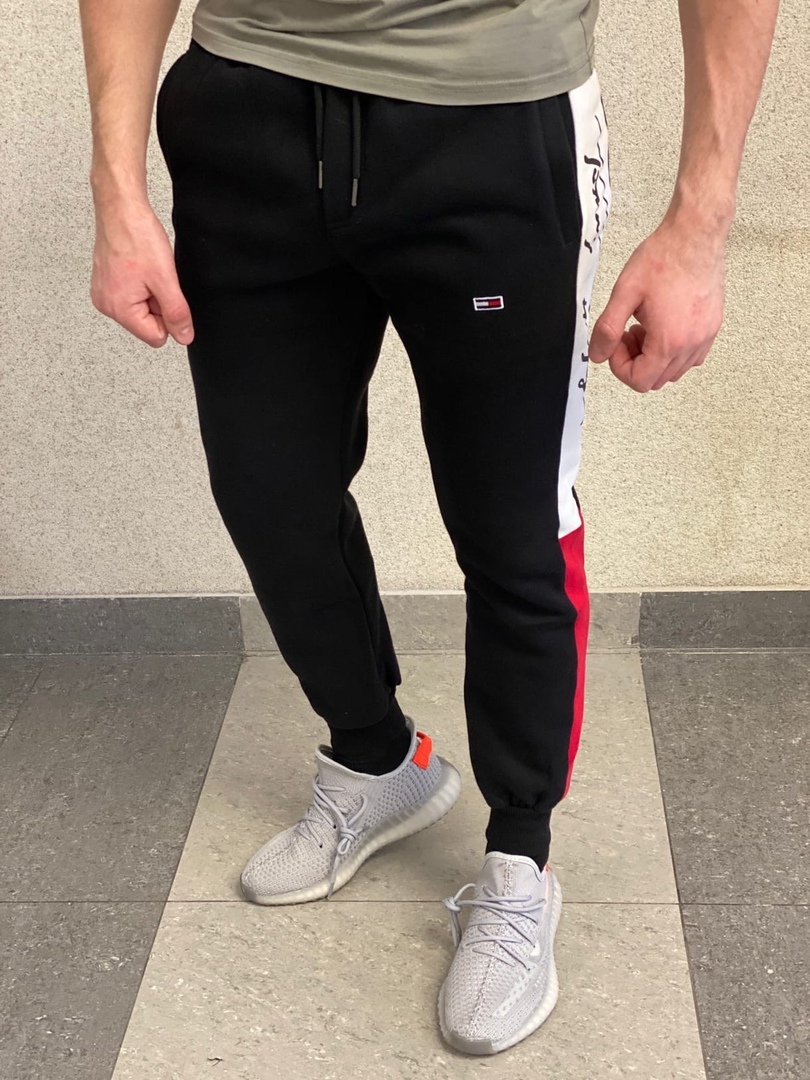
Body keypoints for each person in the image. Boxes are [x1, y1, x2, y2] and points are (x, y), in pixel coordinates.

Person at [79, 0, 780, 1056]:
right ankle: (377, 761)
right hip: (244, 120)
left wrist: (701, 223)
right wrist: (116, 185)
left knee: (512, 523)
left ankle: (520, 859)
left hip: (494, 123)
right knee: (271, 493)